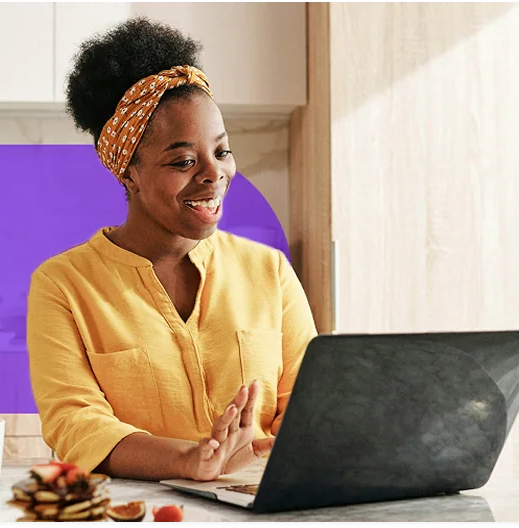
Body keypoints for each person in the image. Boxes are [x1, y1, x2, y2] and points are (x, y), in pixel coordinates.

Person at [26, 17, 318, 482]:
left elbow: (309, 403)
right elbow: (75, 423)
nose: (213, 174)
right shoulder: (64, 285)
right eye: (183, 161)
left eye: (221, 152)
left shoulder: (270, 271)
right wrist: (188, 460)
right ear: (128, 174)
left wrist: (266, 453)